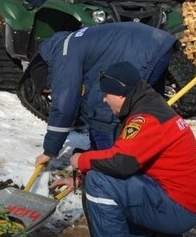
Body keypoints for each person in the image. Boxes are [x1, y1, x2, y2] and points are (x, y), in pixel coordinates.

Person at [54, 61, 196, 237]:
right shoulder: (147, 106)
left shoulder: (146, 119)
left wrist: (82, 160)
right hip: (175, 199)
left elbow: (122, 163)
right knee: (98, 177)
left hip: (177, 207)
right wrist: (79, 176)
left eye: (107, 94)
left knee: (99, 181)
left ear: (122, 94)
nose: (104, 99)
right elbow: (127, 156)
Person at [32, 22, 177, 168]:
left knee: (102, 111)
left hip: (144, 51)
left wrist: (49, 151)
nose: (52, 93)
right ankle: (149, 153)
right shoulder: (67, 44)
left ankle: (106, 162)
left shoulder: (63, 57)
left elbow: (64, 105)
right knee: (148, 106)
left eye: (50, 90)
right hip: (157, 43)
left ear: (48, 76)